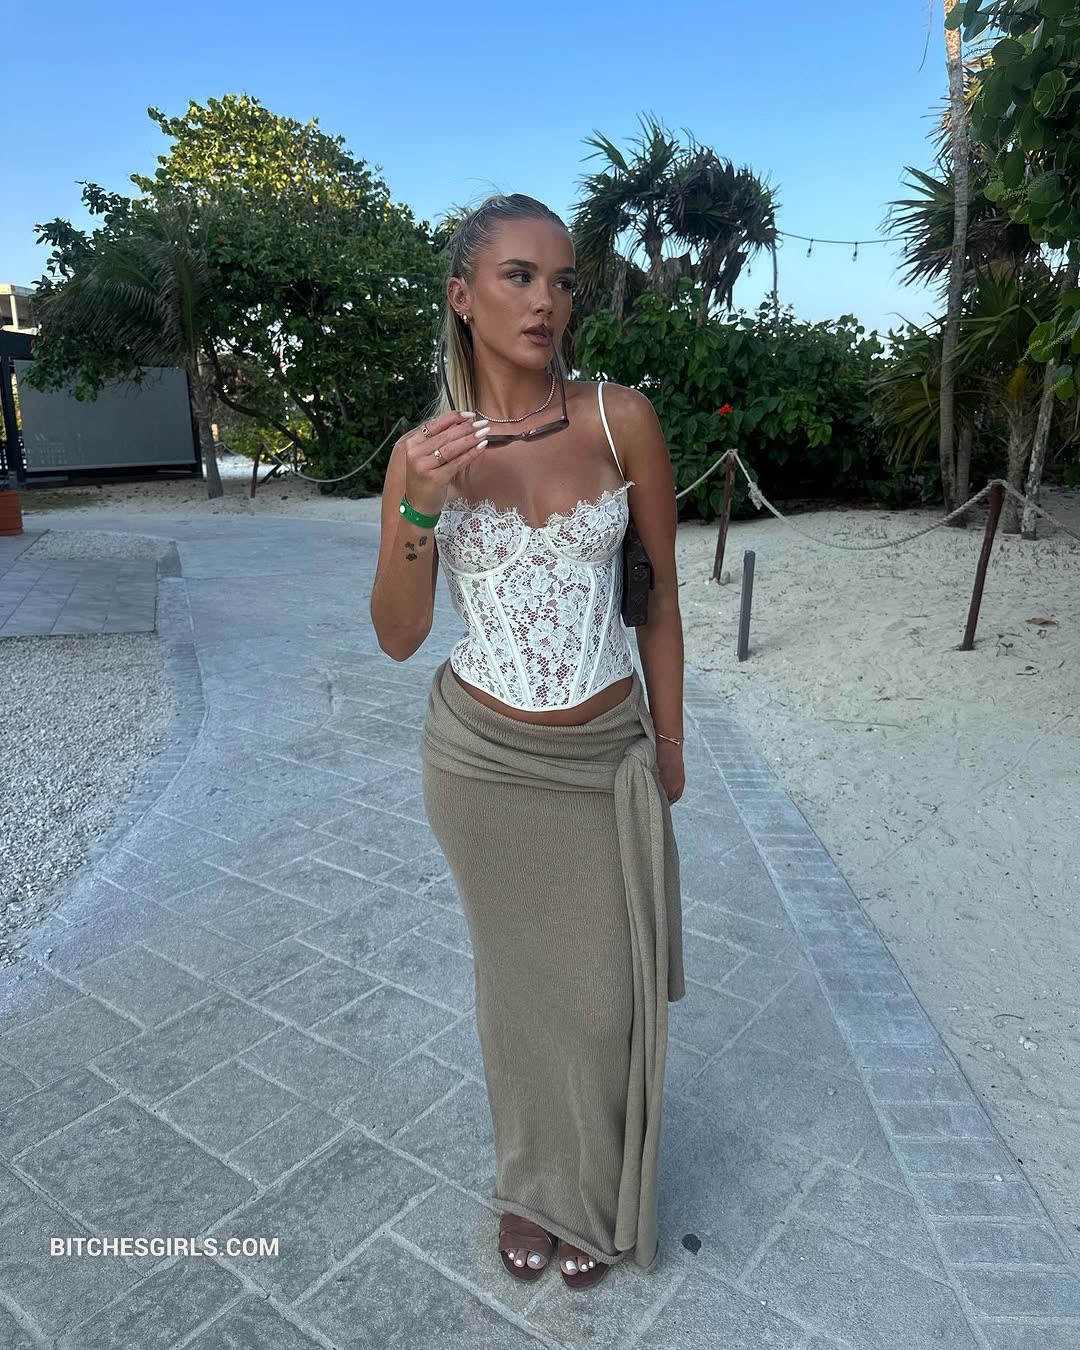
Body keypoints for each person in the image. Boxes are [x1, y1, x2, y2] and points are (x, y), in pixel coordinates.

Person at [369, 192, 686, 1290]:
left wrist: (670, 742)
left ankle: (593, 1187)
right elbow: (397, 636)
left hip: (603, 753)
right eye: (519, 277)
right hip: (480, 764)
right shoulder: (421, 456)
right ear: (464, 296)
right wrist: (420, 505)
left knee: (601, 1002)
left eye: (562, 281)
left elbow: (659, 602)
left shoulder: (619, 419)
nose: (546, 300)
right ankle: (529, 1184)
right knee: (515, 989)